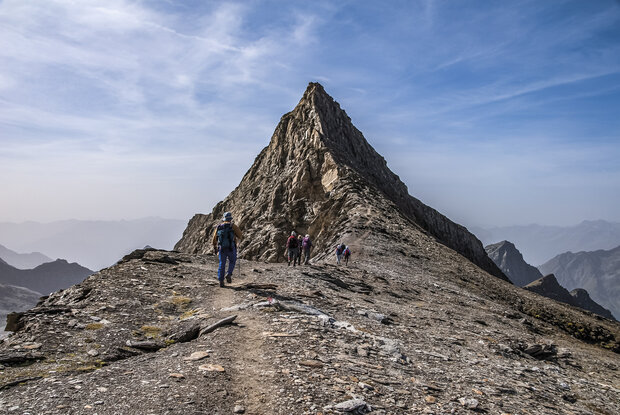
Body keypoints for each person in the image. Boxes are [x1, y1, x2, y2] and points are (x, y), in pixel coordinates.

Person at [212, 212, 243, 287]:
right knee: (232, 261)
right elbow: (240, 236)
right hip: (231, 248)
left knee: (222, 263)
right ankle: (229, 274)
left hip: (221, 248)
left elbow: (214, 239)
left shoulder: (219, 227)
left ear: (224, 219)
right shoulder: (233, 226)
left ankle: (221, 281)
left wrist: (215, 248)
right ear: (230, 219)